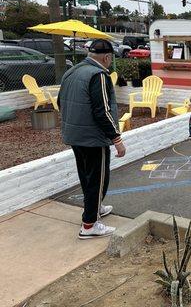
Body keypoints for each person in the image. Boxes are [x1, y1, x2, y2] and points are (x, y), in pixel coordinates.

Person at [58, 39, 126, 239]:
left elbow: (60, 101)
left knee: (86, 176)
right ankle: (89, 225)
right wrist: (116, 139)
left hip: (74, 135)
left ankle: (96, 208)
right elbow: (103, 111)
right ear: (106, 57)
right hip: (94, 138)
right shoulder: (99, 76)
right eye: (110, 58)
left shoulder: (71, 72)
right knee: (98, 179)